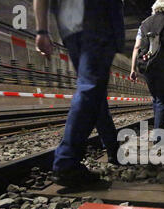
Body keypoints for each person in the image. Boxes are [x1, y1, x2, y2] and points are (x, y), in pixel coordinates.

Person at [34, 0, 125, 187]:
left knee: (95, 93)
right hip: (96, 19)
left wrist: (42, 30)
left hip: (69, 27)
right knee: (91, 88)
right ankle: (66, 163)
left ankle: (114, 150)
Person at [130, 0, 164, 140]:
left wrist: (133, 69)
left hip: (147, 66)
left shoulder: (144, 23)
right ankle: (159, 138)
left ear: (155, 9)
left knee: (156, 99)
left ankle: (158, 133)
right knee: (161, 100)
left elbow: (136, 47)